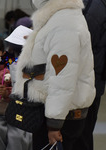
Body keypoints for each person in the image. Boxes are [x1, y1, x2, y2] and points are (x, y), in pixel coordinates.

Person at [12, 0, 96, 150]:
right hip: (58, 111)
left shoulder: (65, 23)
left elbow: (63, 79)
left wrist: (54, 123)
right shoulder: (61, 17)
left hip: (62, 117)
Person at [74, 0, 106, 150]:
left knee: (81, 132)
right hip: (89, 78)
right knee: (82, 132)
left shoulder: (95, 8)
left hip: (88, 79)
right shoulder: (97, 7)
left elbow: (83, 41)